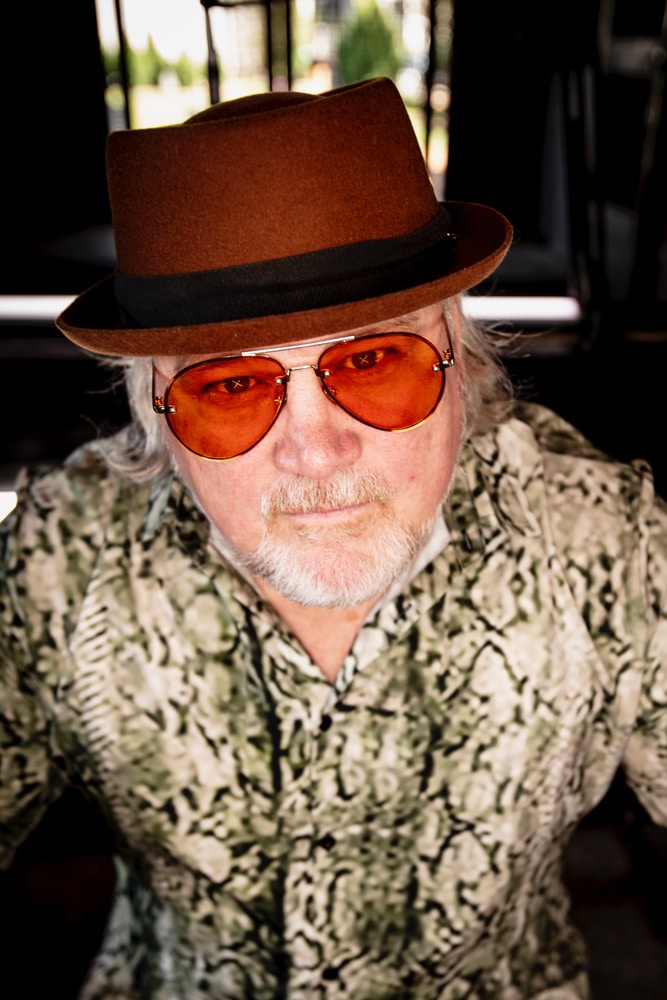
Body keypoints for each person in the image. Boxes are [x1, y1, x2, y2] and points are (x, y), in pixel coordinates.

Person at [1, 76, 666, 999]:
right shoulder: (62, 557)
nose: (315, 451)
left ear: (463, 366)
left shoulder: (604, 540)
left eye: (375, 360)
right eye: (231, 387)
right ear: (155, 416)